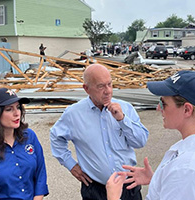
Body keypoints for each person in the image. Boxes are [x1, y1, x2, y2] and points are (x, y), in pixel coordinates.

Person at [106, 70, 195, 200]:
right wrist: (158, 180)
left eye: (163, 103)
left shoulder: (186, 170)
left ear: (187, 110)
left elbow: (187, 181)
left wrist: (113, 198)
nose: (158, 108)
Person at [50, 64, 149, 200]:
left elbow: (140, 141)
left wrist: (122, 119)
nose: (108, 91)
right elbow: (55, 137)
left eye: (110, 84)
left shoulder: (125, 108)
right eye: (101, 86)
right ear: (87, 89)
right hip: (95, 190)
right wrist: (71, 165)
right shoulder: (73, 114)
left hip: (128, 187)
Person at [0, 88, 49, 199]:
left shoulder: (29, 136)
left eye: (18, 107)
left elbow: (40, 173)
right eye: (9, 109)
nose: (17, 113)